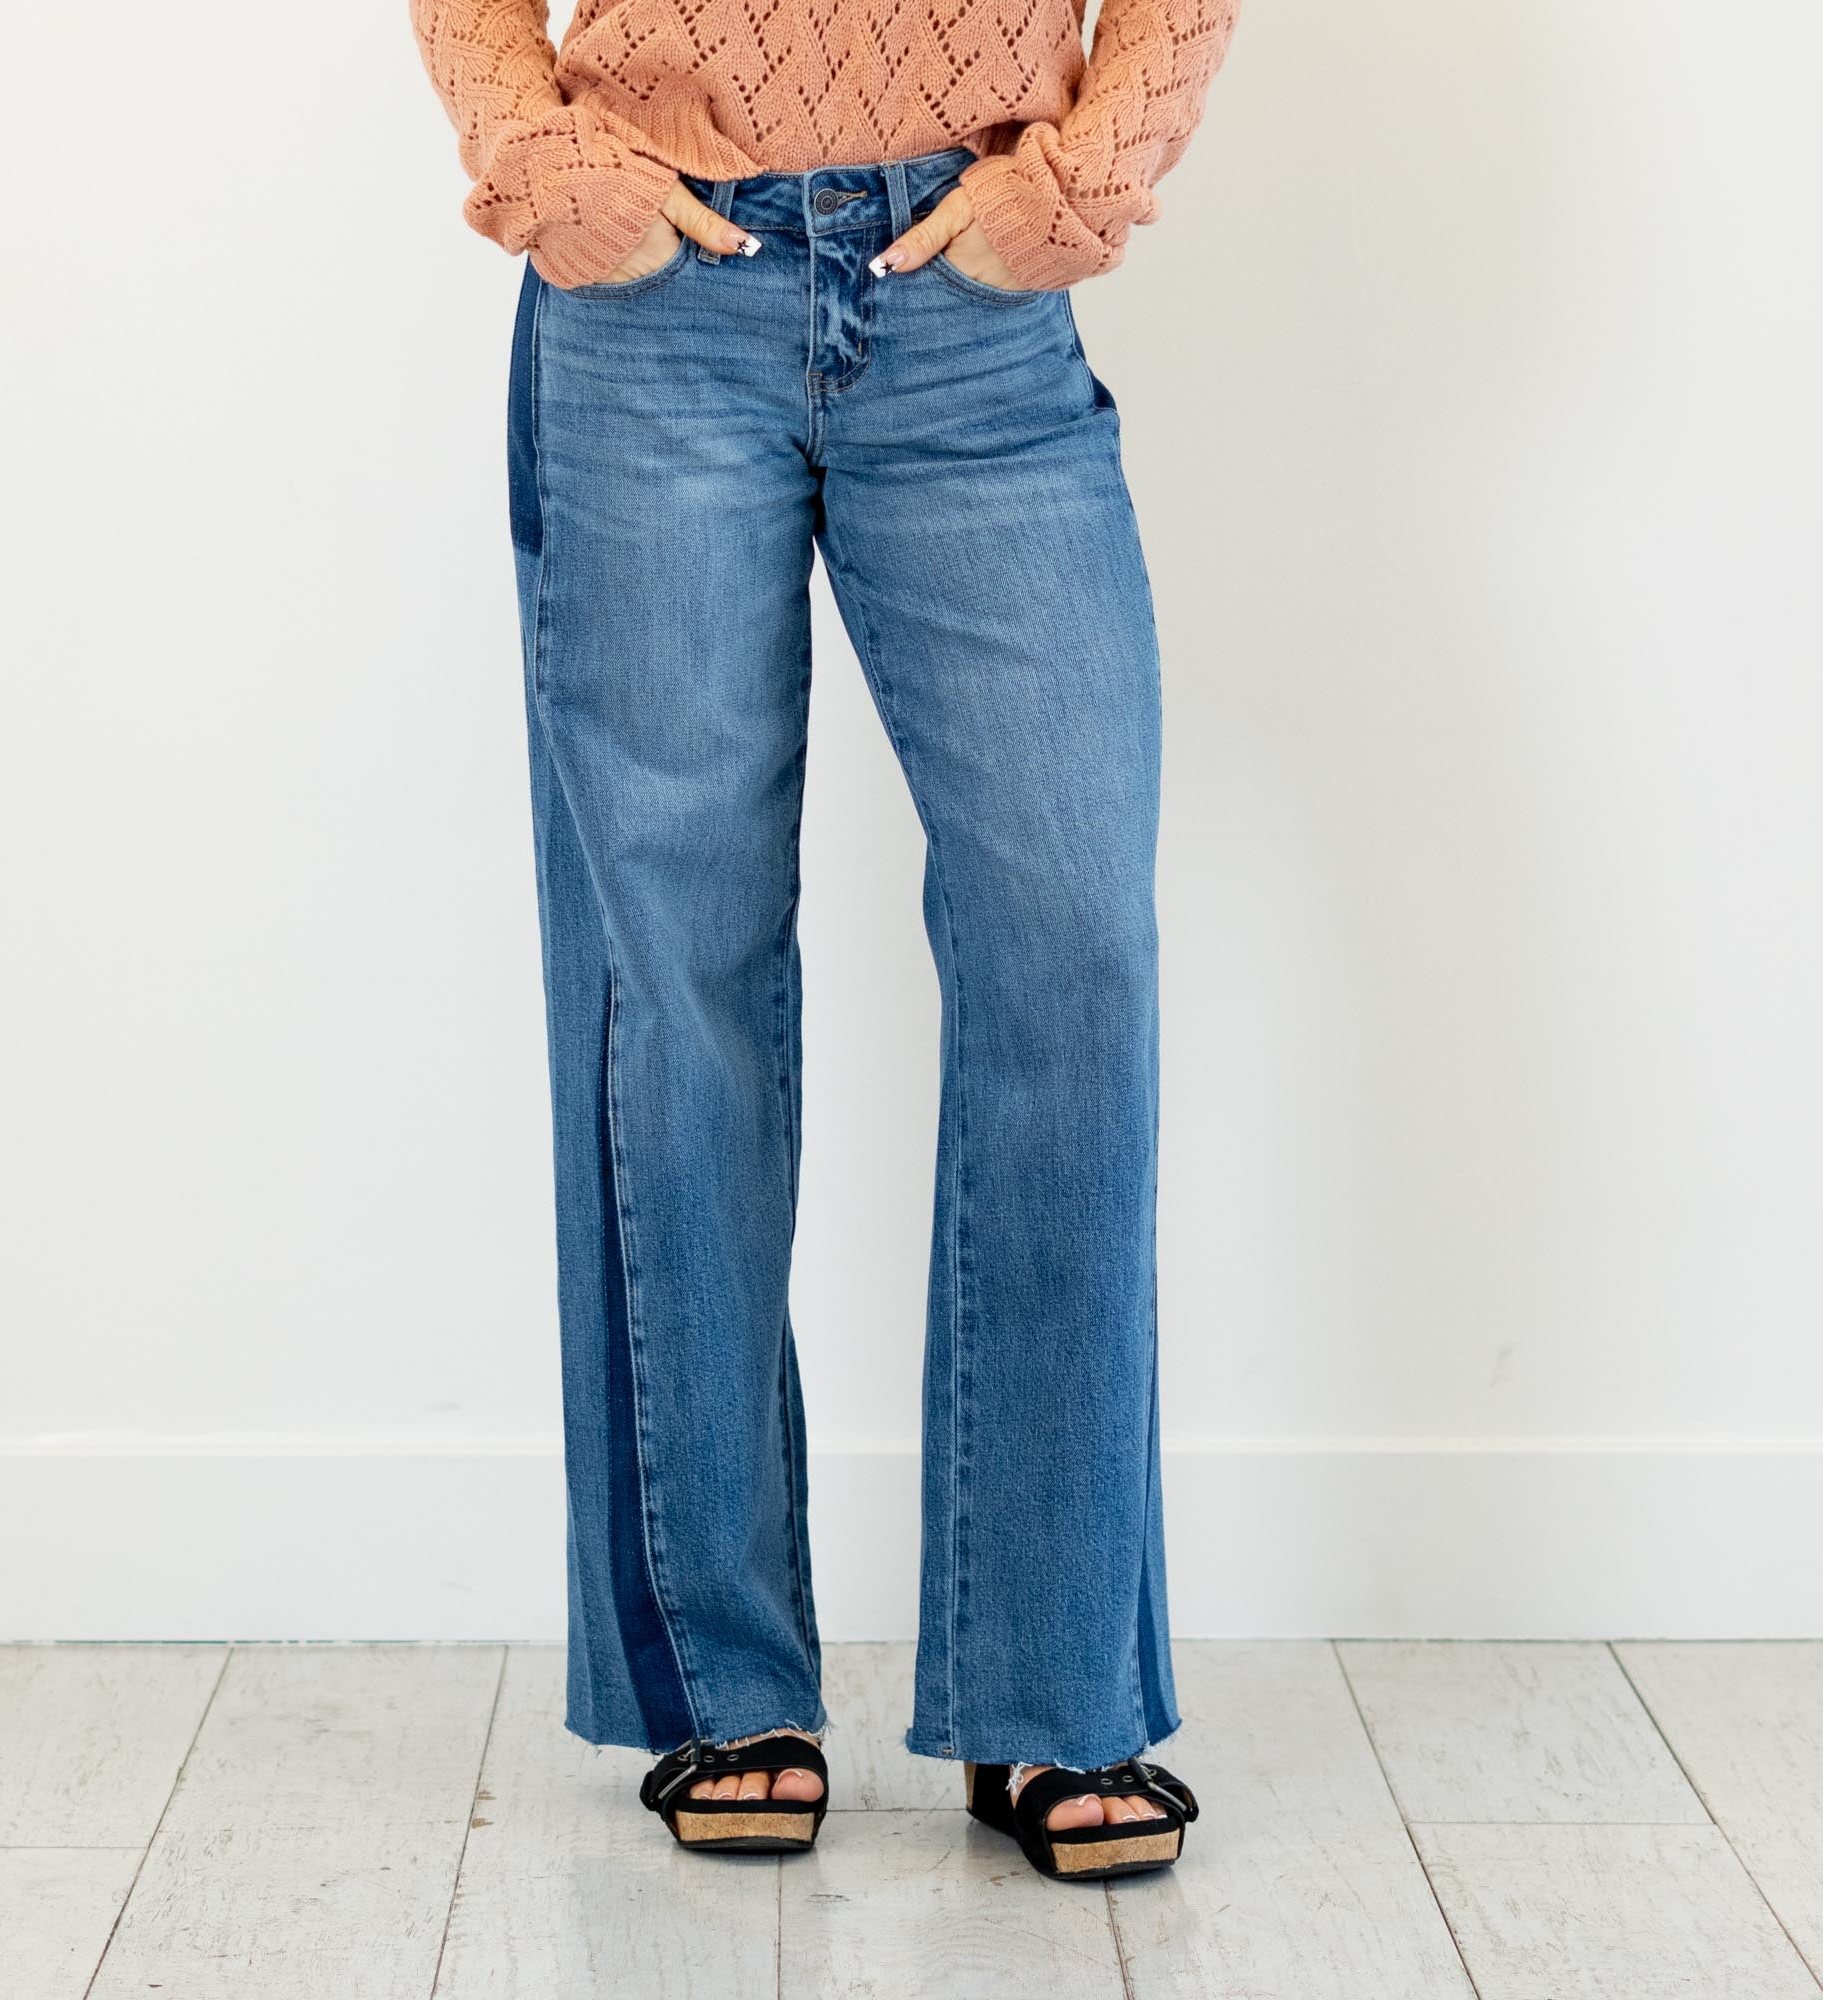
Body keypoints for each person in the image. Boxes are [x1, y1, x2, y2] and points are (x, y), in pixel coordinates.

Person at [410, 0, 1239, 1883]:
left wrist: (1086, 178)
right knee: (674, 982)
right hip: (654, 301)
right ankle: (726, 1680)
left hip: (977, 302)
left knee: (1075, 946)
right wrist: (542, 160)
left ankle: (1054, 1689)